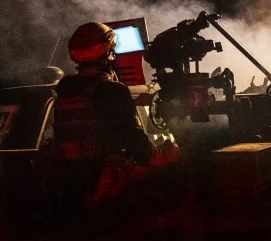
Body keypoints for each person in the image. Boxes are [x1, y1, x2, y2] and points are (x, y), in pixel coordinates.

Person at [52, 22, 179, 212]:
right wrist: (170, 151)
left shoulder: (66, 87)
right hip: (106, 181)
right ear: (109, 54)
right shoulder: (113, 90)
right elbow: (139, 149)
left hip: (70, 179)